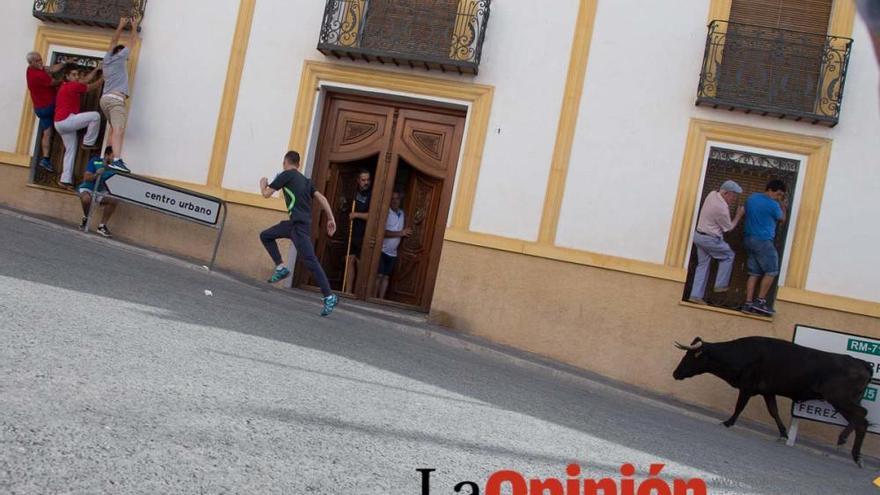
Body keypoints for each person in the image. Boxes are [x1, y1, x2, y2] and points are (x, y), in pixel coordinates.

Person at [259, 151, 339, 316]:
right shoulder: (305, 180)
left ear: (285, 162)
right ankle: (281, 267)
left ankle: (329, 296)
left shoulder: (286, 175)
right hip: (294, 224)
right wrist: (331, 218)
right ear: (299, 164)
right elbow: (322, 198)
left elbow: (266, 194)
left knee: (311, 261)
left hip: (299, 227)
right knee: (266, 235)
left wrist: (263, 184)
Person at [688, 180, 745, 305]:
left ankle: (695, 295)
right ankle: (721, 285)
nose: (734, 198)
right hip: (710, 239)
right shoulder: (721, 209)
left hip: (699, 236)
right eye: (733, 195)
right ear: (725, 193)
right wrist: (738, 216)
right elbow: (728, 228)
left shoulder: (712, 194)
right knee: (729, 255)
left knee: (703, 265)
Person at [741, 179, 788, 316]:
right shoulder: (773, 205)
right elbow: (782, 219)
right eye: (778, 194)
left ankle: (747, 303)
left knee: (754, 273)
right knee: (772, 270)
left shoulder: (751, 198)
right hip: (763, 241)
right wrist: (783, 206)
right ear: (770, 190)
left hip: (748, 239)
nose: (779, 197)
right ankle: (760, 302)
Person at [99, 16, 139, 173]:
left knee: (112, 129)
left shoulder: (107, 59)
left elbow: (113, 41)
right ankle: (116, 160)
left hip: (105, 100)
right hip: (115, 100)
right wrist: (134, 27)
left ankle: (106, 157)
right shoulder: (120, 57)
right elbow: (133, 42)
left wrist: (120, 25)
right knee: (119, 129)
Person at [54, 66, 103, 189]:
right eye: (74, 75)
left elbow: (85, 80)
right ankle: (88, 142)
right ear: (67, 77)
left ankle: (65, 180)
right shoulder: (72, 85)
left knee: (70, 151)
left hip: (59, 124)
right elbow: (91, 87)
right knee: (95, 116)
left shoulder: (66, 86)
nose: (77, 77)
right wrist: (103, 78)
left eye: (77, 75)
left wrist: (97, 69)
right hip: (67, 120)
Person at [25, 51, 65, 171]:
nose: (40, 62)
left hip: (39, 108)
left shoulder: (30, 70)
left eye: (40, 59)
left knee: (47, 132)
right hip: (50, 106)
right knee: (65, 118)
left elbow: (50, 69)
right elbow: (53, 82)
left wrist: (65, 63)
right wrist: (63, 82)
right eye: (37, 61)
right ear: (31, 62)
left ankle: (46, 159)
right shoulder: (39, 76)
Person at [376, 191, 412, 299]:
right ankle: (372, 297)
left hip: (393, 253)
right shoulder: (386, 213)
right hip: (382, 250)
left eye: (397, 198)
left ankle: (380, 299)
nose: (395, 201)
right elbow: (383, 232)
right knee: (379, 275)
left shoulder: (402, 214)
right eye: (393, 199)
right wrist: (401, 233)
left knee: (386, 277)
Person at [77, 146, 118, 238]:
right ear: (107, 155)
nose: (114, 159)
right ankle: (86, 218)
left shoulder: (115, 167)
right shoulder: (95, 161)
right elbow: (86, 178)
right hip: (88, 188)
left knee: (114, 200)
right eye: (112, 156)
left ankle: (102, 226)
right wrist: (96, 174)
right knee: (86, 199)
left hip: (101, 191)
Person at [344, 169, 372, 293]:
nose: (366, 182)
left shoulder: (372, 195)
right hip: (351, 232)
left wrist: (356, 215)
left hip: (363, 235)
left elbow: (372, 216)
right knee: (349, 261)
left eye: (367, 180)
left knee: (361, 264)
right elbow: (346, 207)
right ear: (358, 181)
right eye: (363, 180)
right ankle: (348, 292)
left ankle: (358, 292)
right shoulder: (353, 192)